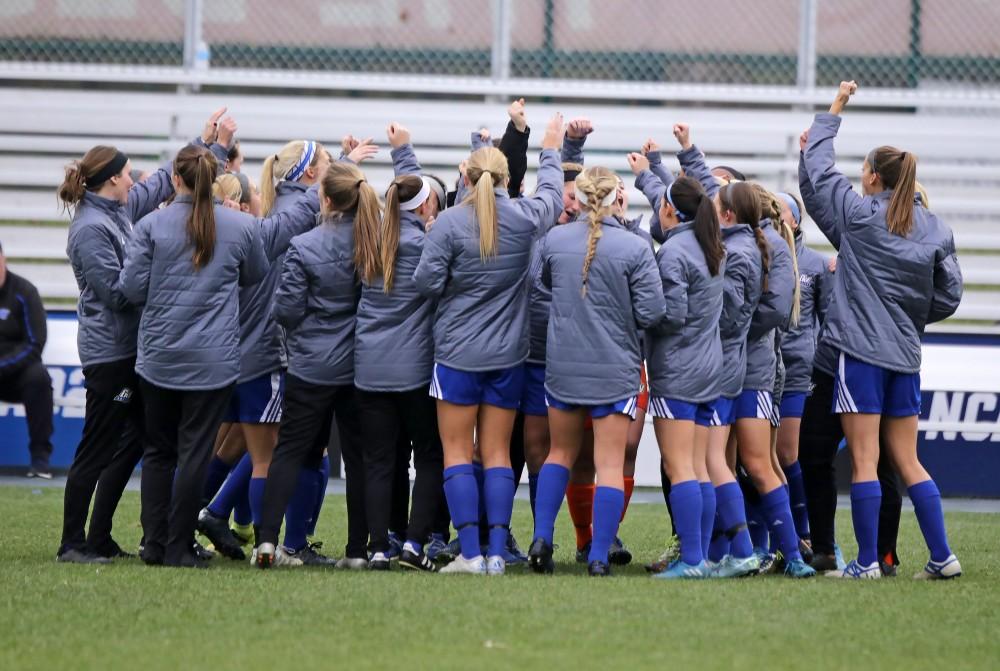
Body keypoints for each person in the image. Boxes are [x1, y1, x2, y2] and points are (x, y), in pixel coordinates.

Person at [57, 108, 234, 564]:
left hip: (132, 350)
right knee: (98, 445)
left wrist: (208, 143)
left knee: (135, 444)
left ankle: (98, 536)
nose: (134, 180)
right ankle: (72, 541)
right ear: (112, 180)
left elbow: (167, 182)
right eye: (126, 174)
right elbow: (117, 294)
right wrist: (168, 278)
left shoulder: (116, 209)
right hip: (110, 353)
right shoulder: (91, 230)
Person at [802, 81, 963, 580]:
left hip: (862, 355)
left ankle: (868, 561)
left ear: (872, 177)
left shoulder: (859, 217)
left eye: (864, 172)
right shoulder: (934, 226)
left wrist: (834, 110)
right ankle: (942, 558)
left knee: (866, 461)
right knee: (909, 461)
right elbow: (950, 294)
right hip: (906, 355)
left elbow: (819, 172)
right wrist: (912, 313)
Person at [414, 113, 565, 576]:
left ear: (465, 176)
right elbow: (553, 198)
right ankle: (498, 553)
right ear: (505, 179)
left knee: (458, 452)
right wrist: (552, 148)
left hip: (458, 355)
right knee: (498, 452)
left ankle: (471, 552)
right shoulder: (523, 218)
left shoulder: (446, 225)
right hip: (509, 356)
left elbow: (426, 283)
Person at [118, 144, 268, 568]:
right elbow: (255, 274)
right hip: (213, 359)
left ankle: (154, 541)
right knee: (194, 454)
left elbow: (130, 289)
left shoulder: (151, 224)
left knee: (159, 452)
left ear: (177, 180)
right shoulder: (241, 226)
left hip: (159, 357)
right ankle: (180, 546)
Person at [528, 164, 665, 577]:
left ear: (581, 197)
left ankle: (542, 537)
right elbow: (653, 311)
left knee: (560, 454)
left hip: (564, 365)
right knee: (608, 464)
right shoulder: (635, 247)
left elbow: (543, 283)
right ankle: (599, 556)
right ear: (614, 197)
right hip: (615, 368)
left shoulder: (555, 238)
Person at [253, 160, 378, 570]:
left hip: (309, 365)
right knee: (358, 460)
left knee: (289, 452)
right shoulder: (374, 243)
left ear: (325, 199)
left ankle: (268, 542)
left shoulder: (303, 245)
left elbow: (285, 310)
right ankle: (358, 550)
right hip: (357, 367)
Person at [355, 123, 442, 572]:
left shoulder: (371, 239)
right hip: (413, 370)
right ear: (425, 205)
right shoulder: (424, 243)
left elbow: (405, 192)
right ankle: (413, 544)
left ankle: (377, 547)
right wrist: (402, 149)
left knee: (378, 462)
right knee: (429, 456)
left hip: (368, 369)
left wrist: (400, 152)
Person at [643, 176, 726, 579]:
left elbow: (671, 315)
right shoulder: (712, 244)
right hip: (709, 366)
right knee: (698, 466)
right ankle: (701, 557)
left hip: (679, 369)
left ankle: (692, 560)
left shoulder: (674, 251)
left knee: (680, 467)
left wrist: (640, 312)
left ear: (670, 211)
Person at [774, 191, 832, 552]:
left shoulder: (817, 265)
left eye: (780, 211)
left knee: (787, 455)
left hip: (798, 372)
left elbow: (828, 321)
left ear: (795, 219)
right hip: (762, 370)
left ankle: (806, 532)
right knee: (758, 458)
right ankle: (775, 538)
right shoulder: (761, 254)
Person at [0, 241, 52, 479]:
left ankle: (40, 459)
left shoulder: (24, 292)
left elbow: (35, 344)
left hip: (17, 374)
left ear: (3, 260)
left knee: (38, 376)